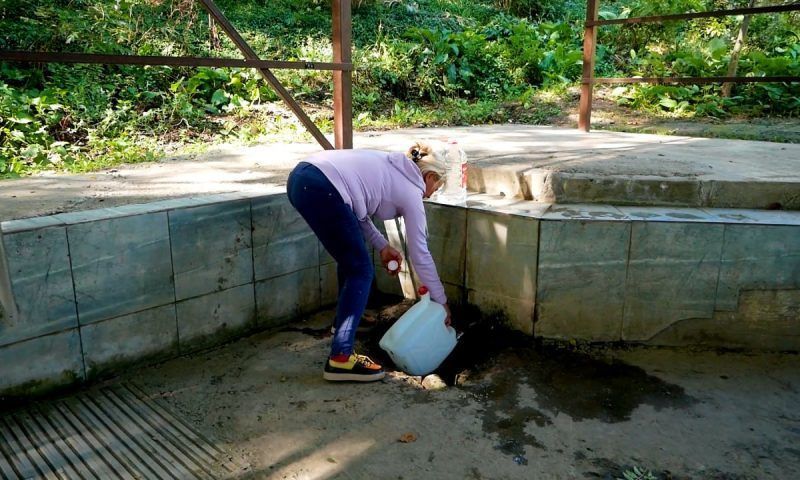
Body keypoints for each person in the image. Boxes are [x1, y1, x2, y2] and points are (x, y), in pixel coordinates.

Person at [286, 143, 451, 382]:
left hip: (303, 178)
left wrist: (383, 246)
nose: (432, 194)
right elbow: (420, 253)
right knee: (360, 270)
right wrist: (441, 301)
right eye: (436, 187)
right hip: (321, 187)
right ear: (431, 176)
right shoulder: (411, 190)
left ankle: (348, 319)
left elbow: (356, 211)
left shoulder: (394, 166)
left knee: (351, 259)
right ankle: (340, 358)